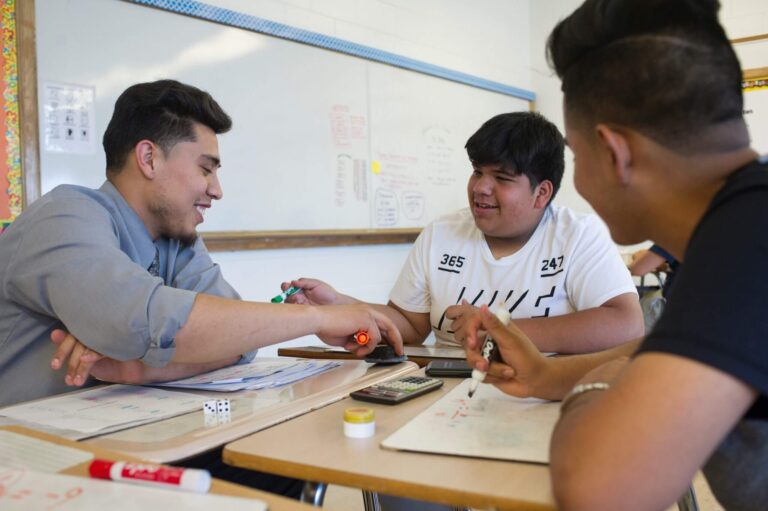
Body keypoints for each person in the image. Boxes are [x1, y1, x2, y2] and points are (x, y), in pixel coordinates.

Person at [463, 1, 768, 509]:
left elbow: (598, 489)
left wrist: (596, 381)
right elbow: (666, 352)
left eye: (577, 158)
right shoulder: (740, 222)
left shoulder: (746, 240)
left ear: (613, 153)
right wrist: (545, 376)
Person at [0, 79, 402, 409]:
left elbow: (237, 340)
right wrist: (320, 319)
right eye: (205, 169)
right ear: (148, 158)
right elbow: (148, 321)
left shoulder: (177, 241)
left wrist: (136, 368)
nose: (217, 190)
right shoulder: (64, 216)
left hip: (118, 438)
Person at [285, 112, 643, 354]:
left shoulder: (577, 235)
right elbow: (410, 326)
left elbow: (626, 324)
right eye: (477, 172)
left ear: (542, 193)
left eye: (501, 179)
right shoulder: (442, 234)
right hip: (445, 396)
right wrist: (339, 306)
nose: (480, 188)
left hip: (542, 397)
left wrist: (500, 330)